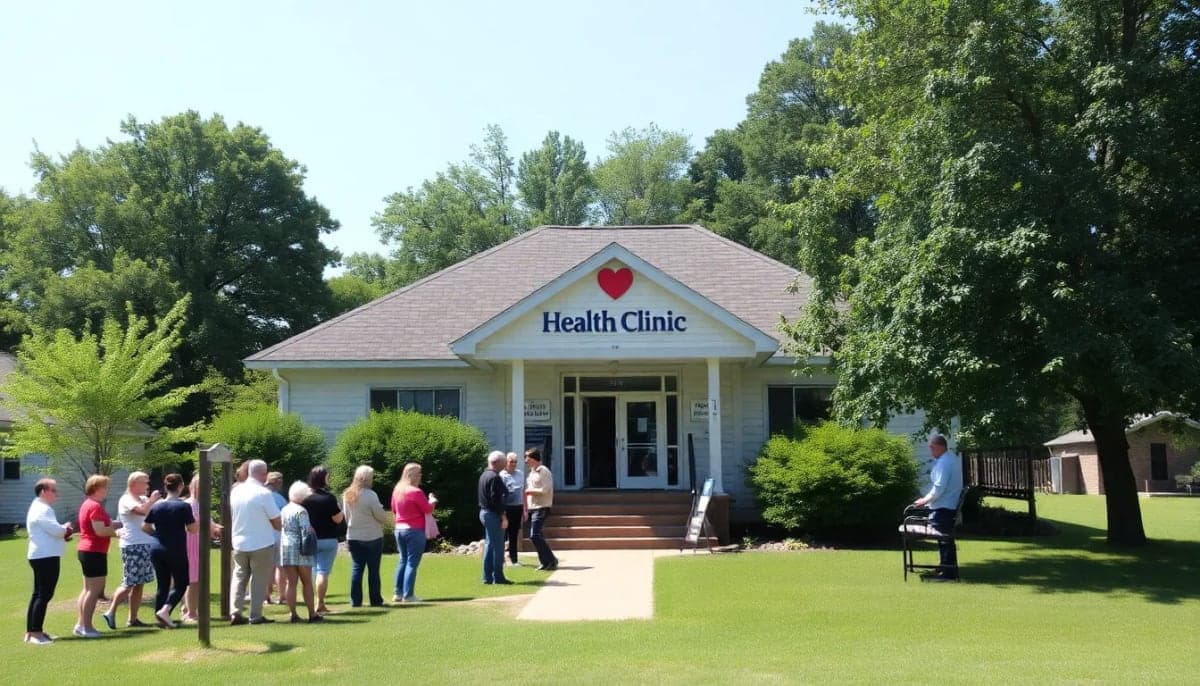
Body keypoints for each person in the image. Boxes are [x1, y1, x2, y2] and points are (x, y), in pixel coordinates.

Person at [102, 471, 161, 630]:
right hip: (133, 545)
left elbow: (152, 512)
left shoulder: (143, 499)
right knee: (129, 581)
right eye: (144, 483)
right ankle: (110, 612)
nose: (147, 486)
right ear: (134, 484)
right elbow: (141, 511)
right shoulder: (126, 499)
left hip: (145, 544)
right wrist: (152, 500)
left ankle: (132, 619)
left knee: (139, 583)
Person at [228, 459, 282, 625]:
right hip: (261, 542)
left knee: (239, 577)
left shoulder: (236, 491)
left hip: (239, 541)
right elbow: (276, 521)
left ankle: (235, 611)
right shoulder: (263, 493)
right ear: (264, 474)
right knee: (258, 579)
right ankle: (255, 615)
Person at [142, 473, 196, 628]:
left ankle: (161, 618)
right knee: (182, 583)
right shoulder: (183, 506)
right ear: (180, 487)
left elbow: (145, 527)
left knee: (162, 585)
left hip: (157, 548)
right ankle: (166, 610)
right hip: (176, 549)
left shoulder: (157, 505)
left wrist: (158, 535)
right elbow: (192, 529)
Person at [75, 475, 123, 638]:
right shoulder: (94, 506)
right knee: (93, 591)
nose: (106, 490)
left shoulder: (88, 504)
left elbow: (105, 524)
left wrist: (118, 524)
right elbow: (100, 530)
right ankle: (87, 627)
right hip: (93, 551)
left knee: (87, 589)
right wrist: (118, 532)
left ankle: (81, 624)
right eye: (105, 487)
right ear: (96, 488)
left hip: (87, 550)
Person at [25, 478, 72, 645]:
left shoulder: (38, 507)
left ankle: (32, 631)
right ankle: (36, 633)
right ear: (44, 491)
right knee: (44, 594)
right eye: (53, 490)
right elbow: (56, 531)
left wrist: (62, 530)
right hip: (45, 556)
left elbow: (52, 530)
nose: (56, 494)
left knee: (38, 593)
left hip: (40, 555)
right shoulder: (43, 509)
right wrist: (66, 528)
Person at [913, 434, 964, 581]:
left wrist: (924, 500)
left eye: (932, 447)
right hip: (946, 507)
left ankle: (948, 573)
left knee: (944, 539)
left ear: (941, 447)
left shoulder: (945, 463)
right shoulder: (948, 460)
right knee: (944, 540)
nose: (931, 450)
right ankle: (946, 568)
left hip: (944, 508)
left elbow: (939, 488)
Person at [342, 465, 392, 607]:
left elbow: (346, 516)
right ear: (368, 479)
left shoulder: (347, 494)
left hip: (353, 535)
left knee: (357, 568)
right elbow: (381, 517)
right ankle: (375, 600)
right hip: (372, 536)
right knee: (373, 570)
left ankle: (355, 600)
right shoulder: (370, 495)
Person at [391, 462, 436, 602]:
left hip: (399, 529)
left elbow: (393, 509)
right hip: (414, 529)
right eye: (419, 473)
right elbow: (428, 509)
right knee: (412, 562)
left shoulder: (397, 490)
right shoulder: (416, 492)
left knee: (403, 560)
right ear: (412, 475)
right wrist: (432, 501)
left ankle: (398, 593)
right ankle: (408, 595)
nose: (421, 475)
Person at [301, 466, 344, 613]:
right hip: (328, 538)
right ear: (323, 478)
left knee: (311, 571)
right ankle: (320, 603)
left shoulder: (303, 498)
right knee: (323, 572)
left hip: (309, 539)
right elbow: (338, 519)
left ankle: (311, 602)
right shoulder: (328, 498)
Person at [181, 473, 222, 622]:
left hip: (197, 544)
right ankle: (191, 613)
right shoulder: (192, 505)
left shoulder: (196, 504)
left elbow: (210, 525)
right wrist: (215, 528)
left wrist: (216, 528)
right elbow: (199, 525)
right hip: (193, 544)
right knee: (194, 580)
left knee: (195, 579)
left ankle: (187, 608)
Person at [280, 481, 322, 623]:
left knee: (291, 582)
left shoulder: (284, 509)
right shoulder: (301, 511)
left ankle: (293, 614)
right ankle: (312, 614)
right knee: (307, 582)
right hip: (301, 548)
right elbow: (306, 530)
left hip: (286, 547)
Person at [478, 451, 512, 585]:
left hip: (484, 512)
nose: (505, 466)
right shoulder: (495, 478)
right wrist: (503, 517)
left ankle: (487, 577)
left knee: (489, 544)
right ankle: (498, 577)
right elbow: (495, 500)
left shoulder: (484, 475)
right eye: (503, 463)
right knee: (498, 546)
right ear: (496, 463)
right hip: (493, 514)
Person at [524, 448, 559, 571]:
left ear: (534, 458)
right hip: (533, 508)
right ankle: (549, 561)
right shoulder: (532, 473)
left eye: (527, 457)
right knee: (538, 536)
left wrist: (529, 491)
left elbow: (546, 490)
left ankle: (548, 561)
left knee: (535, 535)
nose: (526, 460)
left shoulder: (543, 471)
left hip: (542, 507)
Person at [266, 471, 288, 605]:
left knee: (267, 567)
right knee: (281, 567)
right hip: (279, 535)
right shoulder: (280, 499)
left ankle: (266, 596)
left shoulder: (262, 496)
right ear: (278, 483)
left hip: (265, 536)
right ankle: (282, 596)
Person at [499, 452, 525, 567]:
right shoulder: (502, 475)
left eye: (515, 462)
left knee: (514, 534)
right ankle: (501, 559)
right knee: (503, 534)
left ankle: (514, 559)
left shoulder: (520, 474)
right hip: (506, 508)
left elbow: (523, 491)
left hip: (518, 507)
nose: (513, 464)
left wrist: (525, 508)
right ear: (506, 462)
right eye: (511, 462)